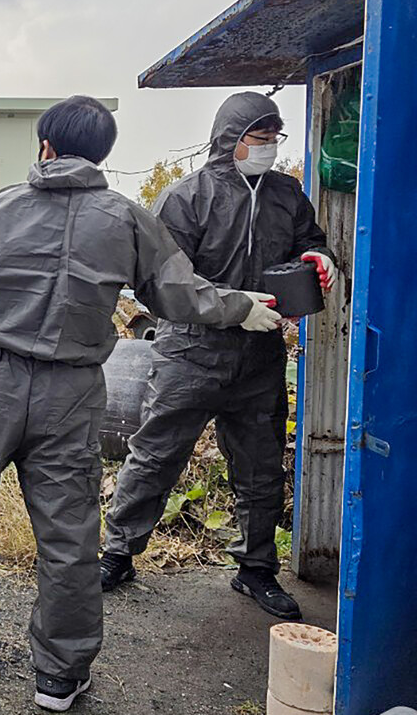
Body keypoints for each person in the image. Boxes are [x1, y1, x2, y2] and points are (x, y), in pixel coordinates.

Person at [0, 95, 281, 712]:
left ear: (45, 147)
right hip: (73, 387)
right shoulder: (128, 218)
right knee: (67, 535)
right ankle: (59, 676)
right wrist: (243, 307)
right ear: (103, 154)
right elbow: (180, 294)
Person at [101, 92, 336, 621]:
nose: (269, 149)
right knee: (155, 454)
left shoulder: (286, 195)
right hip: (191, 352)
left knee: (259, 467)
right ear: (231, 139)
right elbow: (160, 282)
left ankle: (255, 569)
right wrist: (231, 310)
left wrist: (318, 259)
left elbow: (309, 241)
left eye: (275, 139)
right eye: (260, 138)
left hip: (259, 355)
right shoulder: (188, 197)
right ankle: (118, 553)